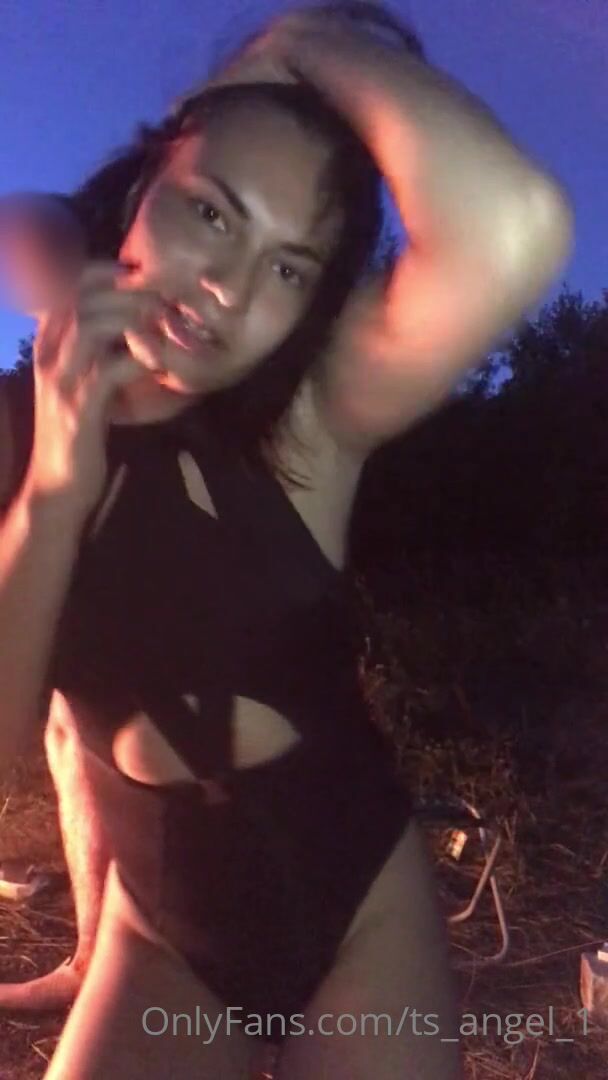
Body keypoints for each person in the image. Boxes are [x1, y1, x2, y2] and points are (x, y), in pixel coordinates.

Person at [0, 3, 572, 1077]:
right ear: (142, 187)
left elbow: (517, 221)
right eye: (212, 213)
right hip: (162, 939)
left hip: (357, 907)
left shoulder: (307, 418)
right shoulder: (14, 434)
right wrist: (54, 498)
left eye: (290, 267)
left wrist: (299, 43)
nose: (230, 288)